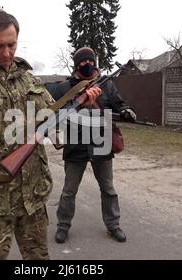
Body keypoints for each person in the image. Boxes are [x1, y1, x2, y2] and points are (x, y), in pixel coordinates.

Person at [0, 10, 101, 260]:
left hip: (33, 200)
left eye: (12, 44)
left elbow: (51, 116)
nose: (7, 53)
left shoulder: (29, 80)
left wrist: (81, 103)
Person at [50, 47, 137, 244]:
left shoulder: (106, 84)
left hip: (101, 142)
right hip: (76, 143)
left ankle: (113, 225)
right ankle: (63, 226)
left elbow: (119, 103)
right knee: (69, 191)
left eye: (89, 61)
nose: (87, 65)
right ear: (76, 65)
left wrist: (126, 111)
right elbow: (53, 108)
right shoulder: (66, 88)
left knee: (108, 189)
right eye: (82, 63)